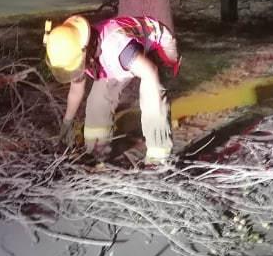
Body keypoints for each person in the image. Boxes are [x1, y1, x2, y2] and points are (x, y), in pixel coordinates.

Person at [43, 14, 180, 163]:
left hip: (159, 45)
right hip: (117, 59)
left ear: (87, 52)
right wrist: (66, 123)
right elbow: (76, 90)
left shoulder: (117, 48)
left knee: (151, 93)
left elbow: (150, 71)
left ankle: (158, 157)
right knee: (97, 101)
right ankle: (97, 151)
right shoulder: (77, 47)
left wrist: (155, 124)